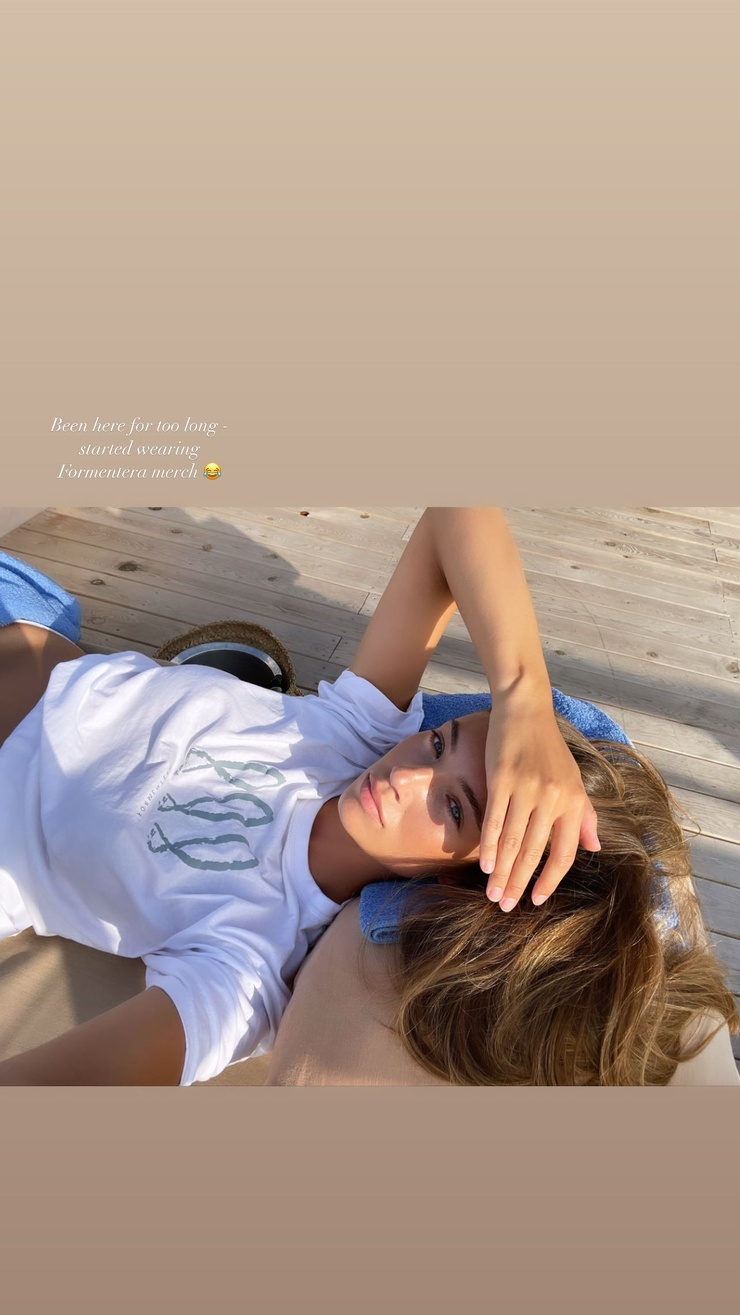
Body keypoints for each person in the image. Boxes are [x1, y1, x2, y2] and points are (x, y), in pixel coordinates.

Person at [0, 508, 736, 1084]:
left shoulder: (250, 963)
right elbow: (453, 511)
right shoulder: (358, 732)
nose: (405, 773)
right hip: (28, 622)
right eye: (440, 743)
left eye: (454, 808)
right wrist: (523, 699)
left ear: (463, 885)